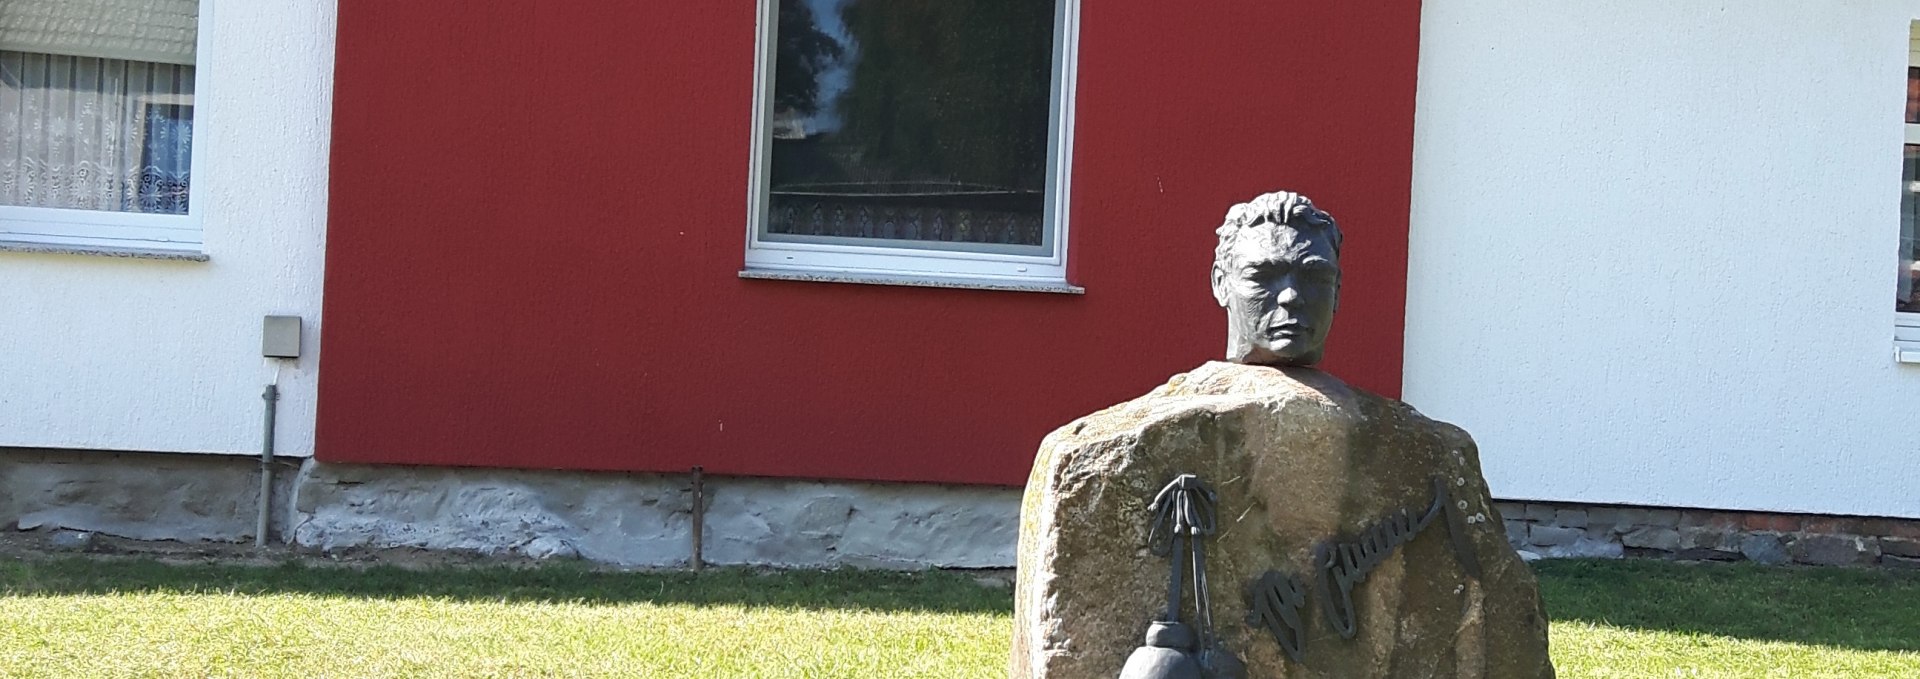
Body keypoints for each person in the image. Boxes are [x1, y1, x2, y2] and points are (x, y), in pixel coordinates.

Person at [1209, 191, 1343, 366]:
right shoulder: (1197, 394)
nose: (1290, 296)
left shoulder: (1355, 395)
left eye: (1313, 277)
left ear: (1336, 290)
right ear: (1221, 284)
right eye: (1263, 276)